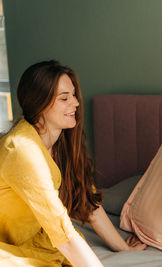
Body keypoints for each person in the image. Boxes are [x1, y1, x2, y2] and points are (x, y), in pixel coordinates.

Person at [0, 60, 145, 267]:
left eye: (74, 95)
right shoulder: (22, 150)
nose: (76, 103)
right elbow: (62, 232)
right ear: (39, 103)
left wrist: (123, 247)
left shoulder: (60, 143)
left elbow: (87, 202)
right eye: (64, 98)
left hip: (31, 241)